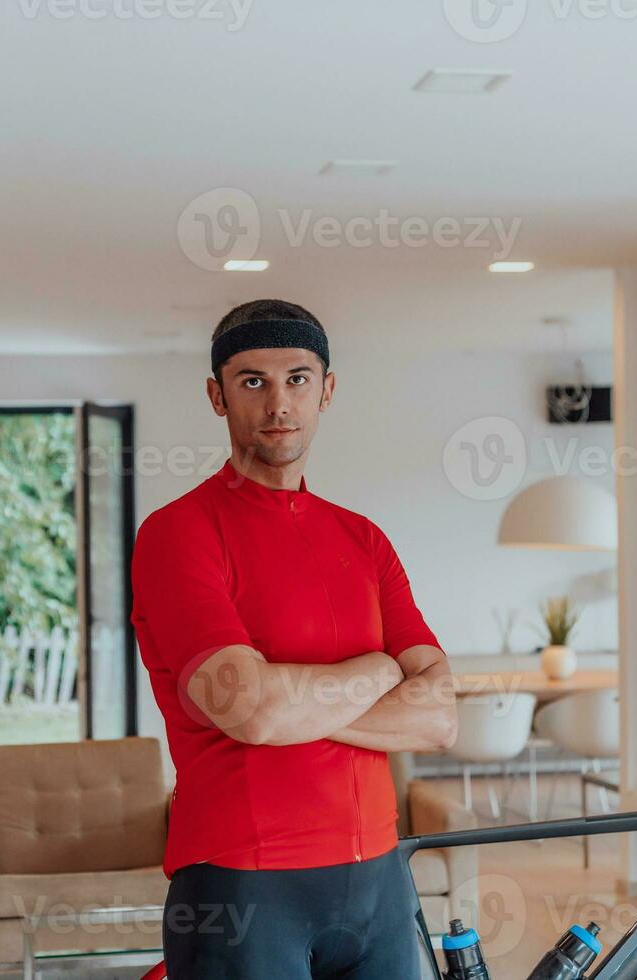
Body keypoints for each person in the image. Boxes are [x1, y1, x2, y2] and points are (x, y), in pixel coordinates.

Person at [130, 298, 458, 978]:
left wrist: (291, 704)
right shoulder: (178, 534)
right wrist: (379, 669)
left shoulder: (364, 541)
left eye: (298, 379)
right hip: (242, 884)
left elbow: (439, 716)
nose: (278, 402)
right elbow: (251, 709)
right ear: (217, 395)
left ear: (327, 390)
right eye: (253, 381)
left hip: (379, 878)